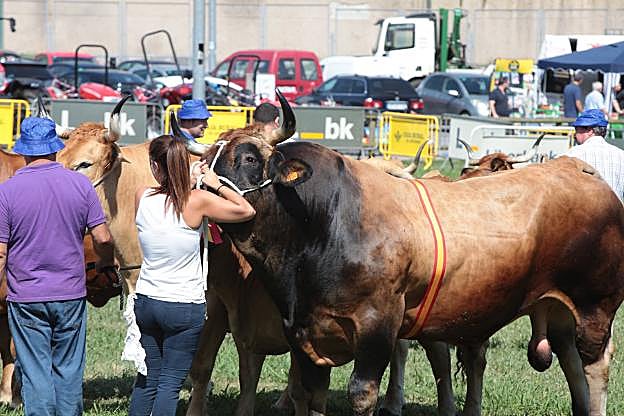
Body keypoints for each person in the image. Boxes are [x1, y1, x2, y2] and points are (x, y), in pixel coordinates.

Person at [129, 135, 255, 416]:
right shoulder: (198, 201)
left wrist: (186, 179)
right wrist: (213, 181)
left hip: (147, 300)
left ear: (154, 166)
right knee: (170, 384)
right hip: (183, 306)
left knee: (148, 377)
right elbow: (246, 210)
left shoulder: (142, 195)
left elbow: (168, 198)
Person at [0, 117, 115, 415]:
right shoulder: (80, 184)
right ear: (55, 149)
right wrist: (103, 264)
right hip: (70, 293)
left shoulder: (8, 191)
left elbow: (1, 253)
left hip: (25, 296)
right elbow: (102, 238)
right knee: (68, 367)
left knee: (35, 368)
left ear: (24, 151)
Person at [565, 108, 624, 202]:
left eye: (577, 129)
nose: (575, 134)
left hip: (585, 213)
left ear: (590, 131)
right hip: (617, 214)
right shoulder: (621, 155)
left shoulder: (572, 154)